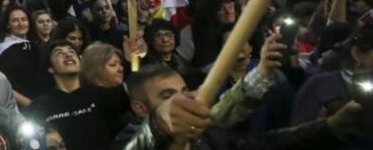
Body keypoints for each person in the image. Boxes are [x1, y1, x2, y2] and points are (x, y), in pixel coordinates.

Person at [115, 64, 366, 149]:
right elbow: (139, 141)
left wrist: (327, 128)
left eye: (182, 92)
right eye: (167, 96)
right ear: (140, 108)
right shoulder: (128, 138)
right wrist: (159, 124)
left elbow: (265, 145)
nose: (181, 101)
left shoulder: (208, 137)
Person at [26, 40, 130, 150]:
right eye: (59, 53)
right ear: (50, 68)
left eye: (72, 52)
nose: (68, 54)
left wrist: (131, 57)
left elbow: (137, 89)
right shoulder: (38, 108)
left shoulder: (102, 96)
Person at [0, 6, 40, 107]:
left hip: (39, 102)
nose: (21, 24)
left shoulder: (34, 46)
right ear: (8, 25)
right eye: (15, 21)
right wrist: (30, 104)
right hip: (19, 106)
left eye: (24, 19)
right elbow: (3, 85)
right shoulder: (2, 51)